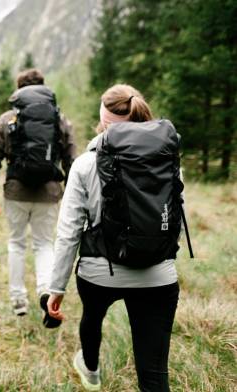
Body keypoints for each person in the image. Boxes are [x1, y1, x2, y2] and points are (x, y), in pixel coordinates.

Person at [47, 84, 181, 391]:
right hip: (158, 277)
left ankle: (91, 369)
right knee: (154, 373)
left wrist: (56, 287)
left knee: (92, 318)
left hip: (99, 273)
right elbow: (174, 220)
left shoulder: (84, 164)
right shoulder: (167, 159)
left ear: (103, 123)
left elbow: (68, 232)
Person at [0, 68, 75, 321]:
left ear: (19, 89)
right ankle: (46, 290)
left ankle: (18, 300)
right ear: (43, 87)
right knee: (44, 244)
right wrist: (72, 200)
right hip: (49, 192)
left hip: (16, 192)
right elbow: (72, 163)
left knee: (16, 243)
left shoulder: (5, 120)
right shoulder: (60, 120)